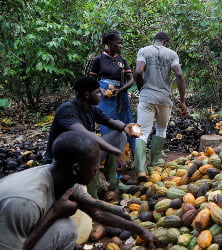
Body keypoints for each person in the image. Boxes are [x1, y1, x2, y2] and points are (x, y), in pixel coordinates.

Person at [0, 131, 156, 250]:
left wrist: (141, 230)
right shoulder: (26, 201)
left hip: (18, 233)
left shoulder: (63, 176)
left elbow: (97, 213)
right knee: (65, 228)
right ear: (77, 168)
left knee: (65, 228)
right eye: (95, 164)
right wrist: (54, 213)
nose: (98, 168)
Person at [44, 77, 139, 199]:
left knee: (119, 135)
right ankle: (91, 196)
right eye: (97, 92)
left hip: (81, 154)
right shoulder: (67, 110)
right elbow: (85, 134)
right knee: (90, 148)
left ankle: (114, 183)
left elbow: (110, 122)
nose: (102, 94)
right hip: (63, 162)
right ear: (88, 95)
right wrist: (117, 151)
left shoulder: (91, 108)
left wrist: (126, 127)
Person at [134, 31, 187, 181]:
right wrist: (182, 100)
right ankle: (154, 162)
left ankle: (140, 169)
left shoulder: (143, 51)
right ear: (165, 41)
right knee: (161, 129)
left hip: (147, 96)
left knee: (142, 132)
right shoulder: (172, 54)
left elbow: (138, 71)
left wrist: (141, 88)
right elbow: (179, 75)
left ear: (155, 40)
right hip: (164, 98)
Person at [90, 30, 136, 164]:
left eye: (122, 43)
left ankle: (131, 157)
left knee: (127, 123)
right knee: (108, 126)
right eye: (118, 43)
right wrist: (101, 89)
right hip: (105, 98)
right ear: (109, 43)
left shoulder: (122, 60)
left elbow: (131, 80)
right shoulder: (99, 59)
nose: (121, 46)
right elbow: (92, 80)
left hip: (121, 96)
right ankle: (110, 162)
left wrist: (120, 90)